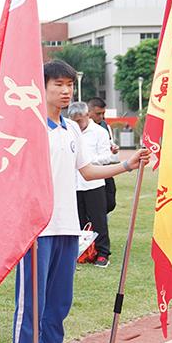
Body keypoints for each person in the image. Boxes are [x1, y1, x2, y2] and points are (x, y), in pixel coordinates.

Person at [13, 60, 149, 343]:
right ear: (42, 87)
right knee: (33, 302)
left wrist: (126, 165)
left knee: (60, 300)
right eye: (58, 84)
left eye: (69, 85)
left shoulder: (71, 129)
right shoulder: (30, 128)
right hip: (37, 229)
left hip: (67, 226)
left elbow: (87, 171)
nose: (65, 91)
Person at [67, 101, 118, 267]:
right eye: (74, 121)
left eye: (80, 120)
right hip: (73, 183)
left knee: (98, 220)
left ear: (87, 115)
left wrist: (86, 161)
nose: (77, 124)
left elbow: (106, 157)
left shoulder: (99, 132)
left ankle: (103, 253)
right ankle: (83, 252)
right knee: (78, 220)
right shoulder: (67, 130)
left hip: (94, 183)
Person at [87, 96, 119, 213]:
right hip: (90, 171)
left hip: (105, 170)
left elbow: (110, 143)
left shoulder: (105, 126)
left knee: (110, 202)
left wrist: (113, 148)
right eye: (98, 113)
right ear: (89, 112)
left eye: (103, 113)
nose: (101, 116)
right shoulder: (80, 128)